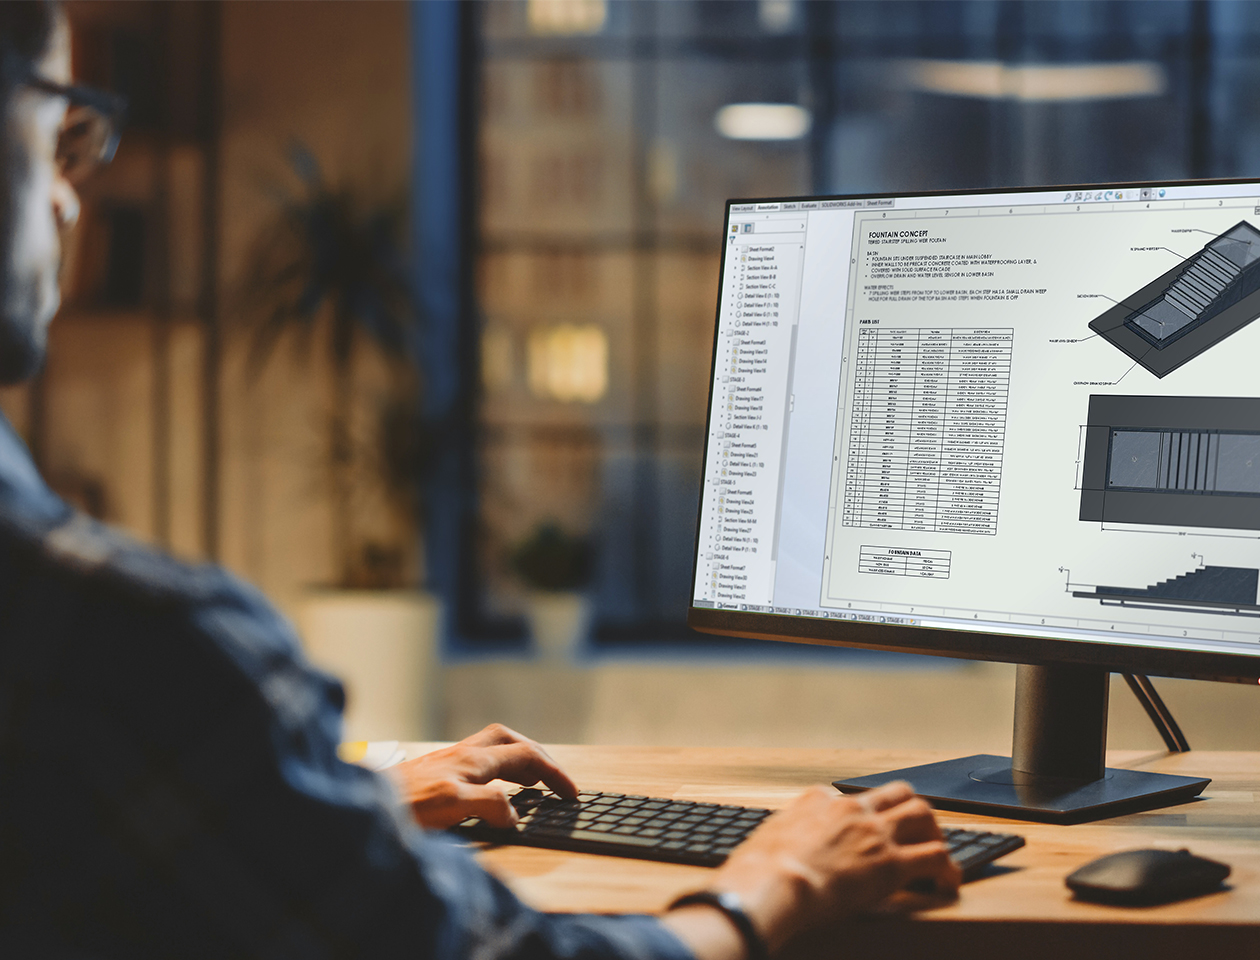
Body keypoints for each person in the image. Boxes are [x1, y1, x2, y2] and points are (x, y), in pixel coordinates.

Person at [0, 2, 960, 956]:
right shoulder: (131, 649)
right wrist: (775, 880)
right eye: (60, 137)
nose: (68, 198)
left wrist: (331, 806)